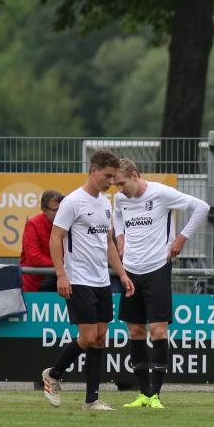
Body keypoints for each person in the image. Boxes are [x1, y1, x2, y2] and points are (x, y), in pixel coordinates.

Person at [41, 149, 135, 411]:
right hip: (78, 279)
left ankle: (92, 400)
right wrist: (61, 274)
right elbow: (55, 239)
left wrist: (122, 274)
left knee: (100, 337)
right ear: (93, 171)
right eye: (107, 176)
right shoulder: (73, 202)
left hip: (102, 281)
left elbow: (108, 243)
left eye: (114, 177)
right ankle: (53, 375)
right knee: (88, 336)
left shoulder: (105, 203)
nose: (111, 182)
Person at [113, 159, 210, 410]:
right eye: (115, 185)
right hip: (130, 270)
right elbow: (118, 214)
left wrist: (182, 238)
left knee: (157, 330)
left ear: (135, 175)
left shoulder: (161, 193)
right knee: (135, 332)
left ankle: (155, 394)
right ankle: (143, 394)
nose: (119, 189)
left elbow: (201, 207)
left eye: (122, 183)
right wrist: (120, 237)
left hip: (157, 268)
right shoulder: (121, 198)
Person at [20, 190, 65, 292]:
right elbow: (34, 257)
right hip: (36, 282)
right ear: (44, 209)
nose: (60, 213)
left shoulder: (67, 224)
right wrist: (61, 265)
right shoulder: (32, 224)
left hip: (62, 278)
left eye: (62, 209)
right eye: (55, 210)